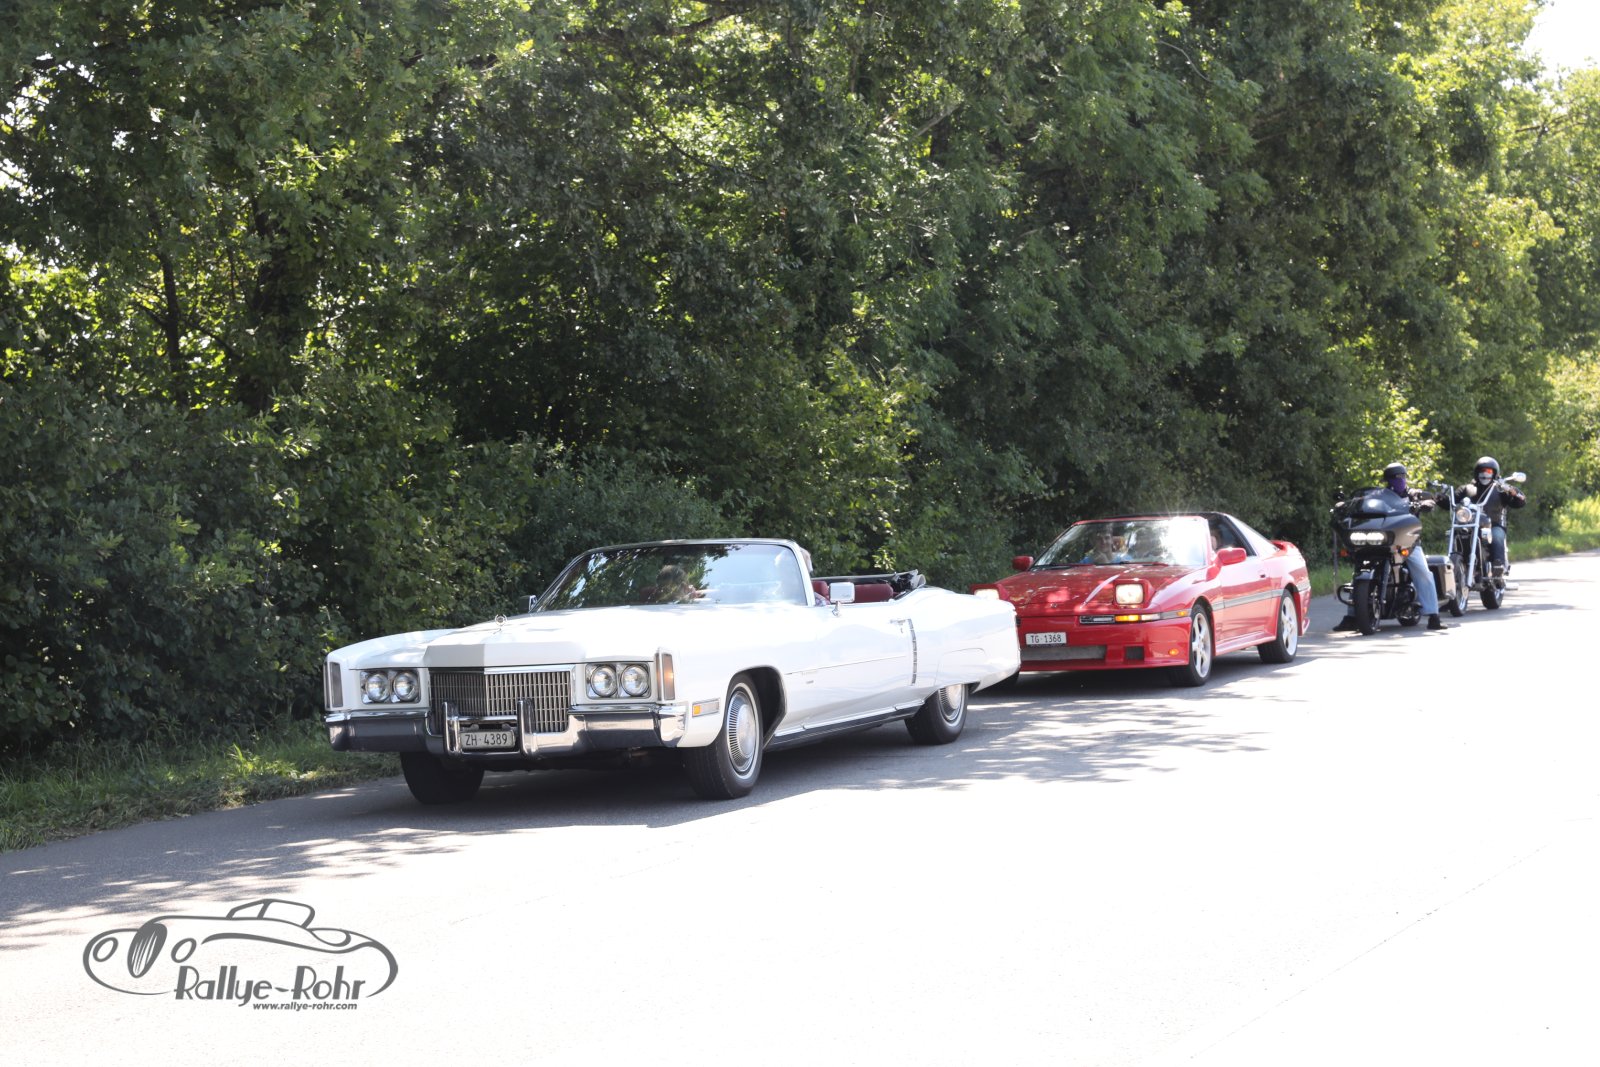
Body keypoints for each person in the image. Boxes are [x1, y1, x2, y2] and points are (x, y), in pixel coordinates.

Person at [1335, 462, 1450, 631]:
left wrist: (1427, 502)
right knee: (1359, 571)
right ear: (1387, 480)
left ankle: (1434, 616)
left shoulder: (1413, 493)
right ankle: (1352, 616)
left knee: (1423, 572)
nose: (1399, 480)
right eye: (1394, 478)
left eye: (1401, 477)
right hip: (1384, 540)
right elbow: (1362, 503)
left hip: (1407, 543)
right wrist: (1346, 504)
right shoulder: (1378, 496)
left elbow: (1427, 499)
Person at [1459, 456, 1525, 577]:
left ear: (1494, 473)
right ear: (1477, 472)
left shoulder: (1500, 488)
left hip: (1494, 525)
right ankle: (1458, 563)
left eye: (1488, 471)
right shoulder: (1467, 488)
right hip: (1470, 525)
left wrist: (1512, 491)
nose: (1485, 474)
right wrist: (1439, 498)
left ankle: (1498, 567)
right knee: (1458, 534)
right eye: (1482, 470)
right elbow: (1450, 502)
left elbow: (1519, 502)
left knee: (1497, 536)